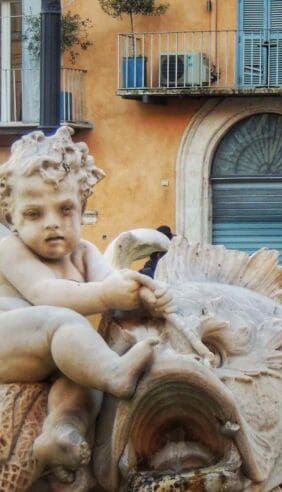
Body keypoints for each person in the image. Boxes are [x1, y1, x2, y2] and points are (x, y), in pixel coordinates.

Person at [0, 128, 171, 476]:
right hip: (10, 343)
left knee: (84, 379)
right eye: (34, 214)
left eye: (65, 210)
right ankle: (114, 373)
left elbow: (113, 287)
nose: (53, 224)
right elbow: (47, 293)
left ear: (83, 207)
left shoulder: (85, 252)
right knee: (62, 321)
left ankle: (62, 434)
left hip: (54, 354)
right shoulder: (10, 249)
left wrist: (142, 296)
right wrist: (106, 295)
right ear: (10, 219)